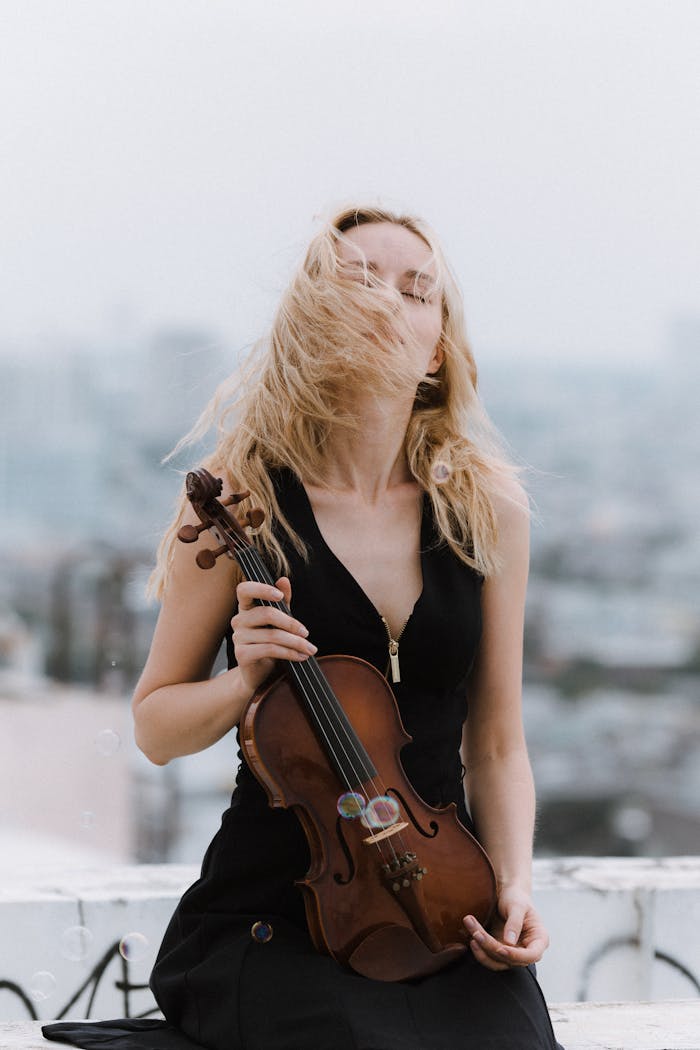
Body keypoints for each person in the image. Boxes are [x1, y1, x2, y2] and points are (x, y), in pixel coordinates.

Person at [43, 204, 563, 1049]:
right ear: (312, 321)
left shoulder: (486, 510)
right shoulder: (243, 506)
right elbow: (155, 726)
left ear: (436, 348)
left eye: (416, 290)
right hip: (275, 916)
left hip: (440, 909)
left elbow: (498, 741)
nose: (388, 301)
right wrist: (244, 680)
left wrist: (514, 887)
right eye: (358, 281)